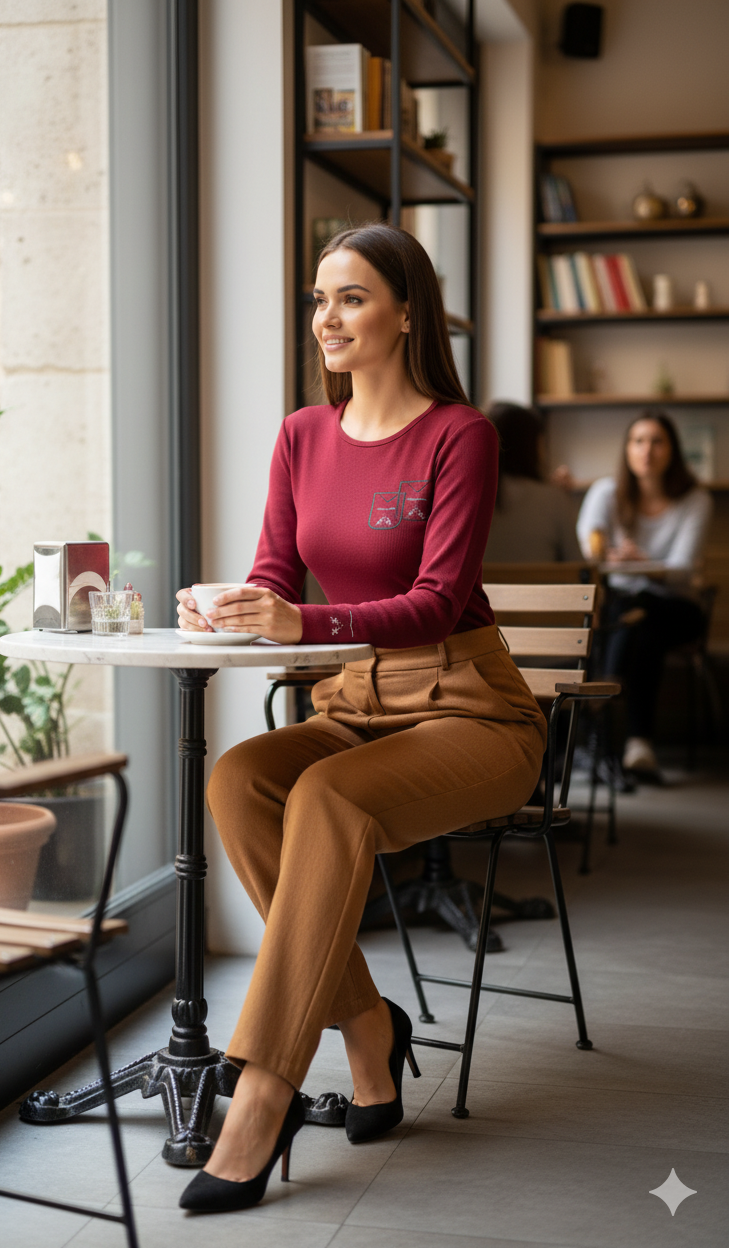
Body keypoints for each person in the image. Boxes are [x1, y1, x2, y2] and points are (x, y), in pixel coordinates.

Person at [175, 223, 546, 1213]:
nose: (324, 320)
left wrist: (304, 616)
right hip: (354, 702)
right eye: (316, 298)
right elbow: (273, 576)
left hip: (473, 711)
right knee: (238, 780)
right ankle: (368, 1025)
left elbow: (434, 600)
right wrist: (231, 605)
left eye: (349, 299)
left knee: (329, 799)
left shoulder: (460, 434)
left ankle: (262, 1093)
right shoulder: (302, 433)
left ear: (406, 314)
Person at [577, 412, 712, 776]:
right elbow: (592, 551)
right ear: (626, 449)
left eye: (657, 441)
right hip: (630, 613)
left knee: (644, 607)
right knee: (641, 623)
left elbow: (683, 569)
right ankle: (639, 743)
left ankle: (604, 698)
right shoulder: (607, 492)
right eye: (638, 441)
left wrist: (639, 561)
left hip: (678, 608)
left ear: (673, 450)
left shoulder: (694, 499)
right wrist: (615, 558)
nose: (646, 450)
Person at [483, 401, 583, 563]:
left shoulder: (466, 497)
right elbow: (577, 568)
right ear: (532, 446)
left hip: (484, 589)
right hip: (539, 589)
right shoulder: (553, 500)